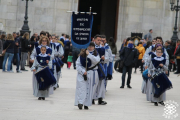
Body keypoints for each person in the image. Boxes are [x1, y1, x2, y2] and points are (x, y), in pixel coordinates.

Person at [75, 42, 100, 110]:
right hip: (83, 73)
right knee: (82, 88)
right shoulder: (82, 54)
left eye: (92, 46)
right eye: (89, 46)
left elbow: (96, 61)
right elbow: (77, 65)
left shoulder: (96, 54)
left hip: (92, 73)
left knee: (90, 89)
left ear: (94, 47)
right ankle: (80, 102)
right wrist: (83, 72)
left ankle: (87, 103)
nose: (90, 47)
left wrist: (89, 55)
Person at [93, 35, 108, 105]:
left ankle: (100, 99)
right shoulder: (91, 48)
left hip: (101, 67)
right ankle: (92, 98)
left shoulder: (103, 48)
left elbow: (107, 58)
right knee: (93, 83)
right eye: (98, 40)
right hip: (94, 68)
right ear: (94, 40)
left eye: (100, 40)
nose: (99, 41)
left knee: (101, 83)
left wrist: (104, 59)